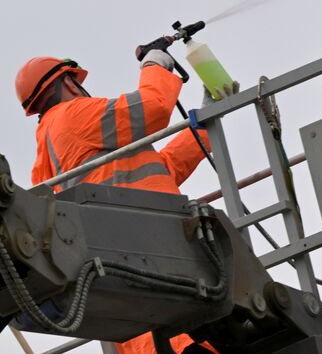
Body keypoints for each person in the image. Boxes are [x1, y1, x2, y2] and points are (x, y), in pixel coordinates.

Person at [16, 49, 215, 354]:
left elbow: (159, 171)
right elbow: (153, 108)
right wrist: (155, 64)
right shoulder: (73, 115)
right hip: (149, 250)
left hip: (130, 258)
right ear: (69, 83)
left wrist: (203, 126)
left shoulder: (53, 145)